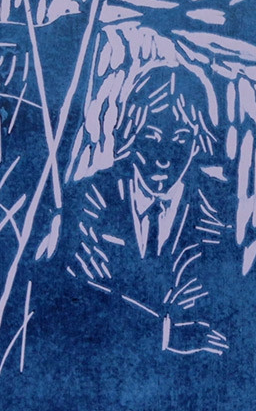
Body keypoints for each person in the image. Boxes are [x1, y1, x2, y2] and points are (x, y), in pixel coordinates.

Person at [65, 64, 232, 357]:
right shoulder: (91, 199)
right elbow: (78, 300)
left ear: (197, 143)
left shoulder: (220, 209)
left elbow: (232, 309)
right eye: (150, 138)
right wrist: (165, 334)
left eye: (180, 139)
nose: (164, 159)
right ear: (131, 137)